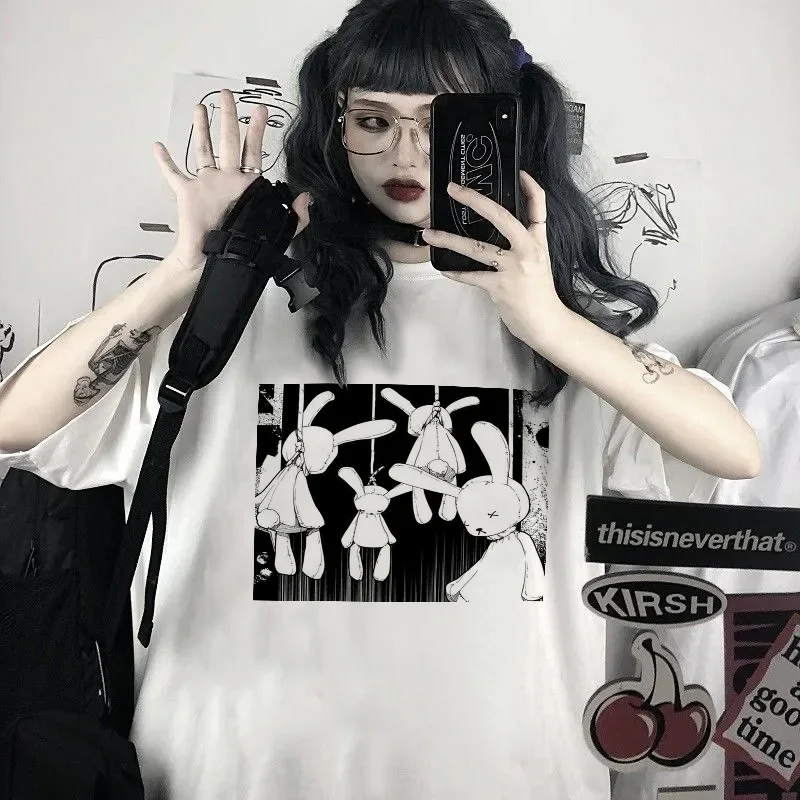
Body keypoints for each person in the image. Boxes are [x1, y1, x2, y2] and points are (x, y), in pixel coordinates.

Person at [0, 0, 760, 797]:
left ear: (498, 128)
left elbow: (734, 453)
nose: (404, 153)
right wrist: (189, 271)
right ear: (336, 123)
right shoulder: (239, 304)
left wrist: (551, 325)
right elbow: (17, 424)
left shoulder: (560, 335)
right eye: (374, 120)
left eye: (438, 124)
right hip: (231, 773)